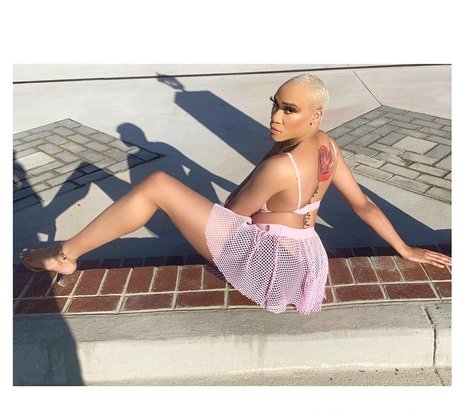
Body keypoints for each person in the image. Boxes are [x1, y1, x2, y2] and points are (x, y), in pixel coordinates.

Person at [20, 73, 452, 315]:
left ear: (315, 114)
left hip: (267, 263)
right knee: (167, 191)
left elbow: (233, 213)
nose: (276, 117)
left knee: (157, 186)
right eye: (276, 104)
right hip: (306, 259)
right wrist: (405, 249)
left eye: (289, 110)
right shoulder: (329, 146)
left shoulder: (280, 165)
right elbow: (364, 204)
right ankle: (67, 252)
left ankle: (64, 254)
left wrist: (262, 172)